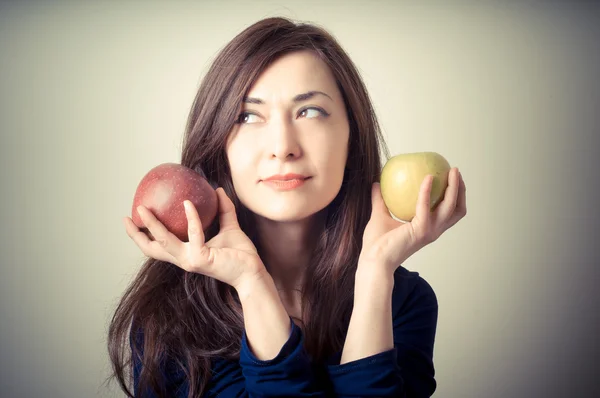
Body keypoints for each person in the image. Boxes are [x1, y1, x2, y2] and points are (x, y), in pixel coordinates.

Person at [107, 16, 466, 398]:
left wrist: (376, 275)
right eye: (247, 116)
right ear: (218, 145)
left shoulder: (406, 301)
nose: (283, 146)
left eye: (309, 111)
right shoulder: (171, 317)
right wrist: (251, 283)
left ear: (351, 135)